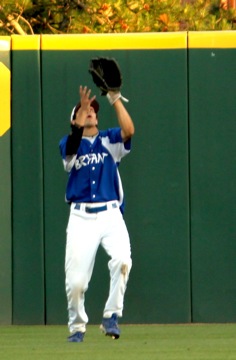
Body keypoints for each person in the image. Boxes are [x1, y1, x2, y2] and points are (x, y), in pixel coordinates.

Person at [59, 85, 135, 343]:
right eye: (84, 110)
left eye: (92, 109)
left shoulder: (109, 140)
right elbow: (70, 148)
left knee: (123, 260)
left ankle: (111, 316)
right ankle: (77, 327)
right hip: (81, 218)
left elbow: (129, 131)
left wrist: (114, 98)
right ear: (75, 119)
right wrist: (78, 117)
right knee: (77, 282)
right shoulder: (69, 145)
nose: (90, 111)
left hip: (111, 215)